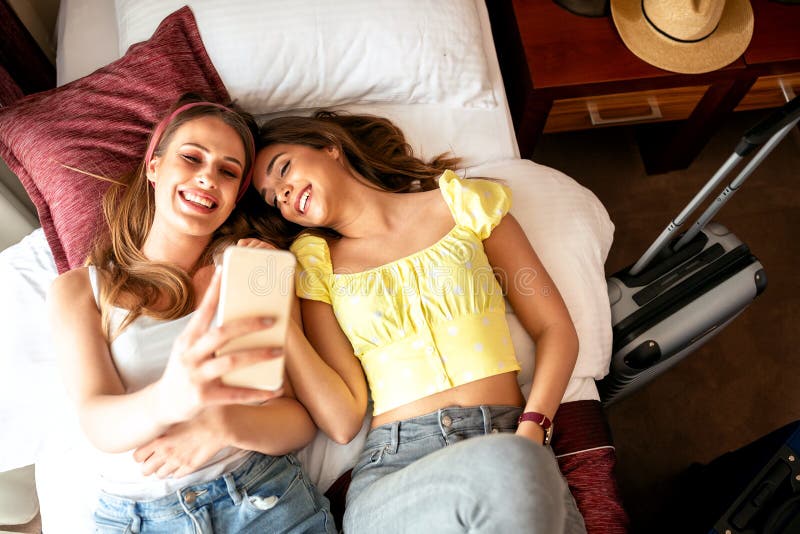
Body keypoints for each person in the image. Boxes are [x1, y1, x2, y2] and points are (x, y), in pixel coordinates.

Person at [248, 111, 588, 533]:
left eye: (284, 169)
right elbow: (341, 420)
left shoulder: (464, 205)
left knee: (513, 477)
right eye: (272, 197)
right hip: (397, 466)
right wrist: (281, 324)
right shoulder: (315, 264)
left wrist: (533, 429)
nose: (283, 192)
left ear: (329, 147)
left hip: (511, 441)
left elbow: (555, 330)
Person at [47, 95, 336, 534]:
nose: (207, 178)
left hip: (260, 499)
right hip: (139, 520)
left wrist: (219, 425)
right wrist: (170, 398)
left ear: (235, 198)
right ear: (154, 166)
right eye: (191, 157)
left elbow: (296, 421)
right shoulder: (81, 289)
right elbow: (96, 419)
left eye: (227, 171)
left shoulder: (250, 269)